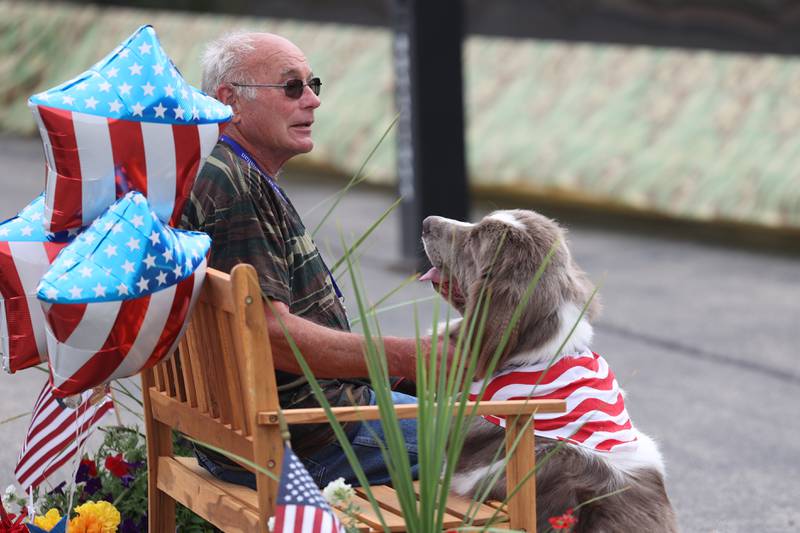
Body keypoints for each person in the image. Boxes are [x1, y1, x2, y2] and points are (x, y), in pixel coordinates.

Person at [180, 31, 439, 488]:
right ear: (230, 101)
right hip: (302, 440)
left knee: (466, 399)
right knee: (526, 449)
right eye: (292, 87)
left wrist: (404, 371)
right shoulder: (235, 184)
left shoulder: (215, 164)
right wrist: (406, 357)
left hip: (248, 430)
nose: (313, 101)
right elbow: (272, 334)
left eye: (312, 84)